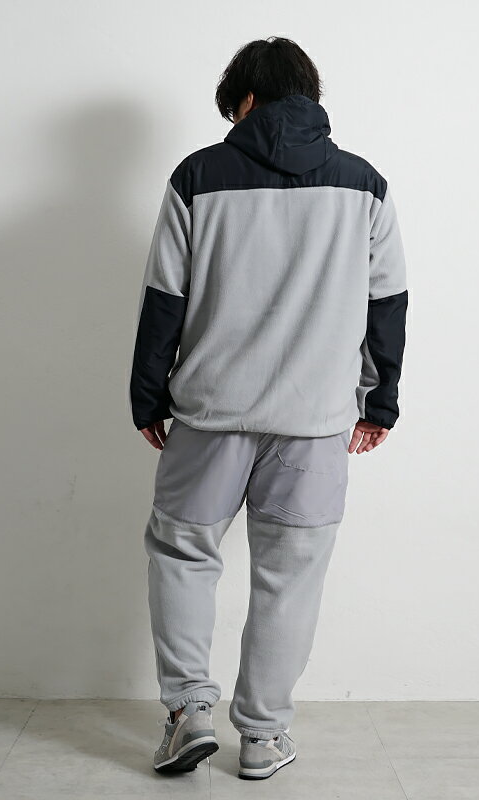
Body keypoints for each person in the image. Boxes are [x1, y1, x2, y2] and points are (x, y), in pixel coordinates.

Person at [129, 36, 408, 780]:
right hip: (314, 422)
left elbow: (163, 298)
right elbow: (387, 302)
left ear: (245, 99)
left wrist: (148, 395)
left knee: (183, 555)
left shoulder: (198, 176)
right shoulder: (365, 184)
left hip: (210, 415)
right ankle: (261, 736)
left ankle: (188, 714)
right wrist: (378, 401)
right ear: (309, 95)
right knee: (290, 575)